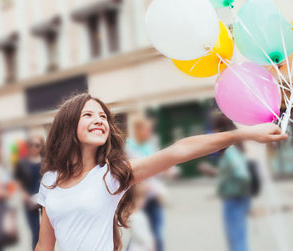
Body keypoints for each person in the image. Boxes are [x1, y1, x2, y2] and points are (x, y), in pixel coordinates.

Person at [35, 93, 287, 251]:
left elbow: (179, 151)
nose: (99, 120)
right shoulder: (49, 181)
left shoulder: (112, 175)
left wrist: (246, 133)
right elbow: (44, 245)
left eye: (103, 116)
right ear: (68, 126)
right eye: (88, 114)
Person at [200, 115, 252, 251]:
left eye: (215, 130)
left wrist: (238, 193)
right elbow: (232, 173)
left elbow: (242, 175)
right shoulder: (235, 148)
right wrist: (213, 172)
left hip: (234, 199)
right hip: (237, 198)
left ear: (220, 131)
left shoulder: (230, 151)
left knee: (236, 240)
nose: (213, 133)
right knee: (238, 238)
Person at [126, 116, 177, 251]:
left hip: (153, 196)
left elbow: (157, 167)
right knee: (140, 233)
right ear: (138, 130)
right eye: (147, 130)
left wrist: (167, 170)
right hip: (139, 196)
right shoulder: (128, 148)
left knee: (156, 233)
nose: (149, 133)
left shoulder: (149, 146)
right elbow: (129, 172)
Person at [14, 135, 44, 249]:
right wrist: (23, 194)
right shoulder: (22, 163)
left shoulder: (47, 162)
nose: (34, 148)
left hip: (44, 200)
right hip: (29, 201)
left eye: (37, 145)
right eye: (31, 145)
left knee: (46, 233)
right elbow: (18, 180)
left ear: (41, 147)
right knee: (35, 232)